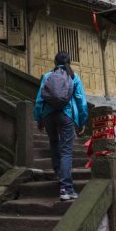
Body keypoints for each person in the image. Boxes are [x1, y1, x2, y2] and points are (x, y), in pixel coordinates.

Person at [33, 51, 88, 201]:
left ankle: (59, 173)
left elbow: (39, 100)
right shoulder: (74, 76)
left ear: (54, 62)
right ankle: (66, 188)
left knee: (54, 143)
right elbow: (81, 101)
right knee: (66, 151)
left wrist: (39, 119)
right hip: (66, 115)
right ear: (69, 61)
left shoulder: (47, 76)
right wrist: (82, 121)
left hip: (48, 115)